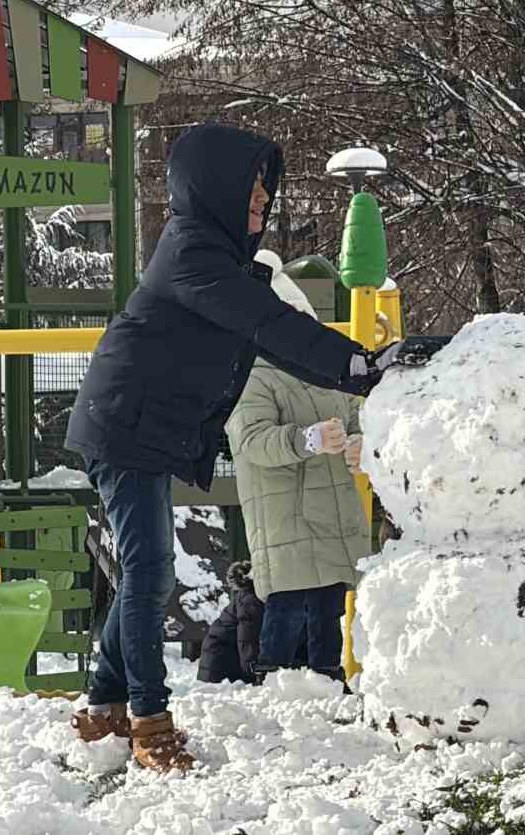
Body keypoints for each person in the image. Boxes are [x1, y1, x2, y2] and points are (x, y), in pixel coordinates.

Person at [63, 124, 435, 771]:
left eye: (265, 197)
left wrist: (362, 369)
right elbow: (271, 324)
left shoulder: (216, 258)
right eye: (254, 196)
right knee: (149, 572)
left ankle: (102, 707)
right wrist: (361, 368)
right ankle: (148, 721)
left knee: (142, 573)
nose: (261, 208)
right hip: (125, 421)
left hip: (140, 422)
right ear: (217, 191)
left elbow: (282, 342)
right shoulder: (193, 257)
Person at [225, 255, 373, 685]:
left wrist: (362, 443)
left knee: (327, 602)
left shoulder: (325, 373)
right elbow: (251, 440)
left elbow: (356, 417)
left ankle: (327, 679)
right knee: (288, 604)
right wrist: (306, 440)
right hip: (285, 510)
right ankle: (276, 680)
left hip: (330, 507)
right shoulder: (253, 376)